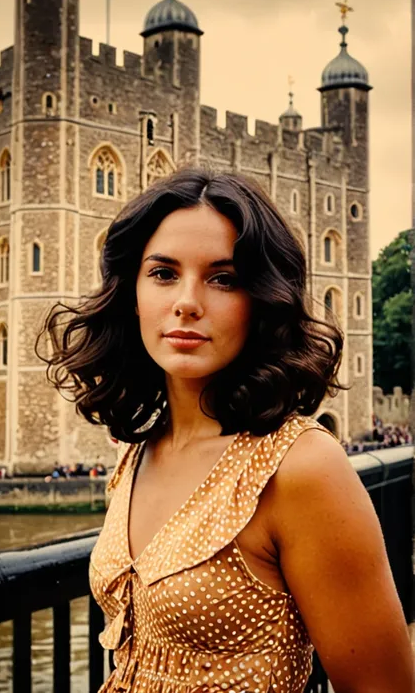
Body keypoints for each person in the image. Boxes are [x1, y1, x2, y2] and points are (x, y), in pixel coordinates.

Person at [38, 168, 412, 693]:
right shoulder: (139, 453)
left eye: (223, 278)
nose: (187, 301)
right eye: (164, 273)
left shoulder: (299, 466)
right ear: (133, 292)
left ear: (261, 299)